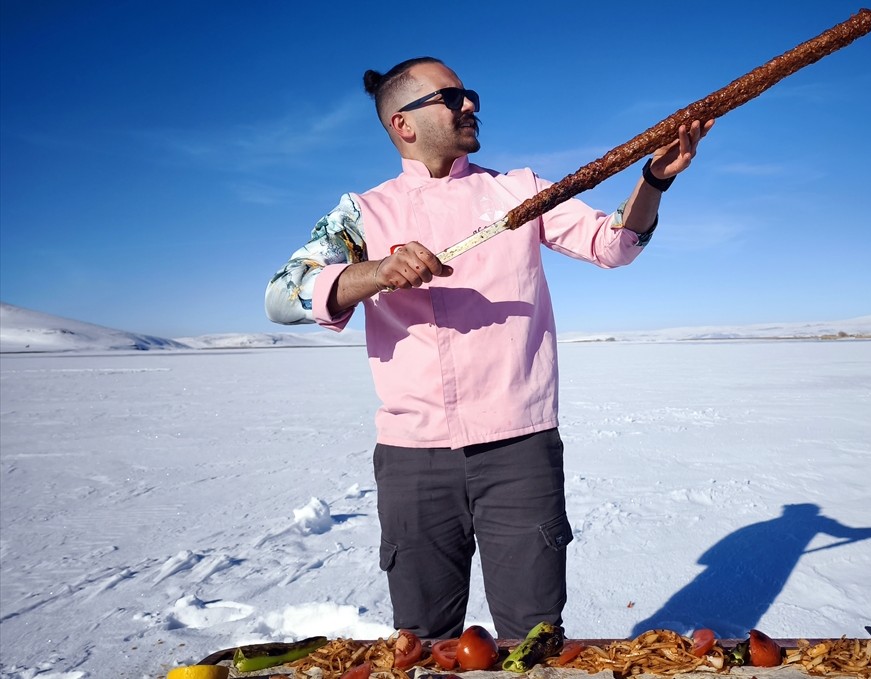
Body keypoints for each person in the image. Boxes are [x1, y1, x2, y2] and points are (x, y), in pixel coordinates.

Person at [264, 56, 713, 640]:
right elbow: (281, 294)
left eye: (469, 94)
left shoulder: (519, 191)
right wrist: (375, 271)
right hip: (413, 458)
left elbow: (614, 243)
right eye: (452, 98)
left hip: (520, 450)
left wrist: (654, 181)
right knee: (424, 642)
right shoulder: (362, 214)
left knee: (535, 639)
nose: (471, 104)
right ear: (403, 124)